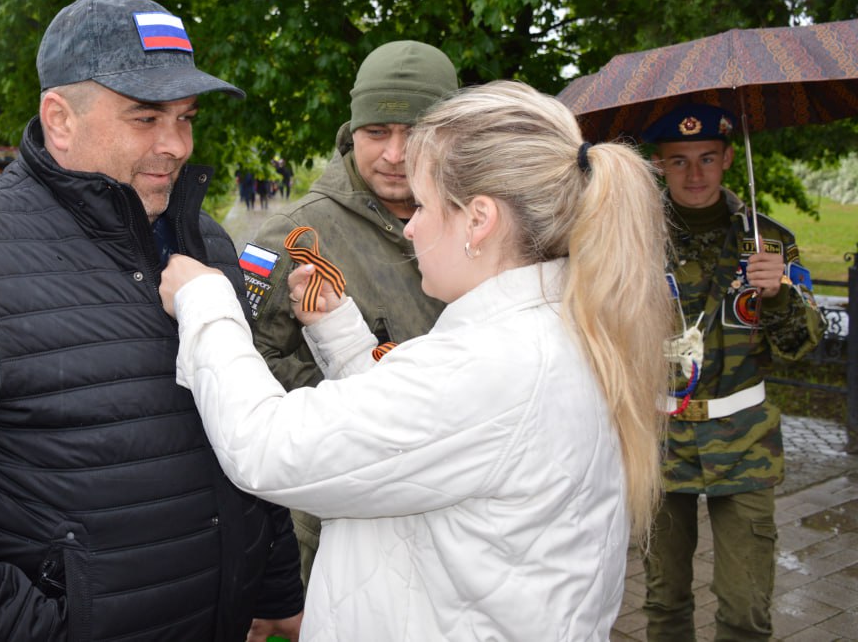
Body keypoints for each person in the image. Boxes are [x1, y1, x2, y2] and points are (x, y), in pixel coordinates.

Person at [0, 0, 304, 642]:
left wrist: (271, 585)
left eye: (186, 117)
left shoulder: (206, 243)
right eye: (146, 117)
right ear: (60, 119)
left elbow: (244, 419)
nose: (177, 145)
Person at [160, 80, 672, 639]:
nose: (410, 225)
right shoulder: (551, 328)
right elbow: (421, 436)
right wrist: (341, 336)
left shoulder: (491, 365)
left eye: (424, 205)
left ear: (479, 220)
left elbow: (267, 447)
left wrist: (206, 304)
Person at [241, 40, 457, 583]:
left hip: (453, 516)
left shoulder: (479, 220)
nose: (395, 154)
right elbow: (246, 362)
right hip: (339, 526)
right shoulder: (295, 234)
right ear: (352, 132)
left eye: (416, 134)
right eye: (377, 132)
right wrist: (348, 402)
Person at [640, 103, 822, 642]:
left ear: (726, 159)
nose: (694, 174)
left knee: (746, 609)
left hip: (745, 440)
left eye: (706, 158)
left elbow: (801, 347)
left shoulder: (768, 242)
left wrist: (778, 293)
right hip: (660, 440)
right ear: (659, 164)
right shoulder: (634, 239)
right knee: (664, 603)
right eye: (679, 160)